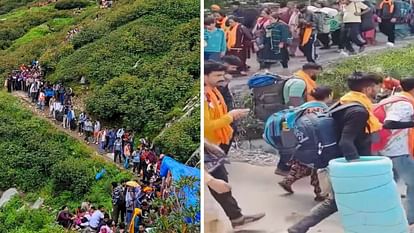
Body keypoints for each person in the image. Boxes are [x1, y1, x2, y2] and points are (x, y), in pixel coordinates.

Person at [286, 72, 383, 233]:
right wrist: (356, 167)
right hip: (352, 162)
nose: (378, 90)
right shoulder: (359, 111)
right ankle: (299, 228)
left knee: (345, 200)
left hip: (345, 160)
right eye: (376, 87)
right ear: (367, 89)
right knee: (339, 201)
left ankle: (299, 228)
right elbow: (346, 141)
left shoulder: (346, 101)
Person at [204, 61, 265, 230]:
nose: (221, 78)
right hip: (207, 146)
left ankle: (236, 216)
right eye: (216, 75)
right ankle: (235, 217)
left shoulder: (215, 91)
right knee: (218, 181)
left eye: (221, 75)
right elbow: (207, 125)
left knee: (220, 181)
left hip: (214, 145)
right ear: (204, 76)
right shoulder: (204, 96)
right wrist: (231, 116)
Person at [278, 86, 333, 201]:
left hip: (300, 141)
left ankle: (287, 181)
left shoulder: (303, 107)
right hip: (315, 144)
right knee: (318, 167)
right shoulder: (323, 110)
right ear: (329, 96)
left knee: (301, 164)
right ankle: (320, 193)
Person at [275, 63, 323, 176]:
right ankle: (283, 167)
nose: (317, 75)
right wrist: (303, 115)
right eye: (317, 73)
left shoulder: (297, 78)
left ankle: (289, 168)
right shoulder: (299, 82)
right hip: (290, 119)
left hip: (289, 117)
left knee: (291, 142)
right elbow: (294, 101)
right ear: (312, 71)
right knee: (289, 143)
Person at [379, 77, 414, 225]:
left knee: (388, 184)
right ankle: (410, 219)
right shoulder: (404, 104)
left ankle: (383, 217)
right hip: (397, 151)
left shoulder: (395, 98)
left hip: (386, 148)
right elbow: (389, 123)